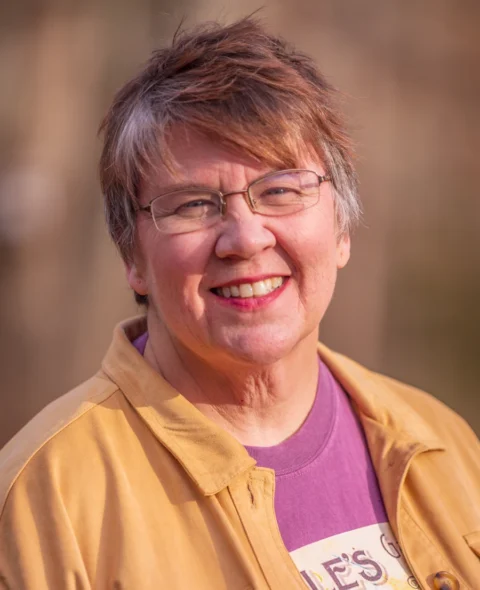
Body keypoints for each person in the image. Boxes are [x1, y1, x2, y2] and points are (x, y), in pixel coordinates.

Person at [0, 17, 478, 590]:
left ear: (342, 229)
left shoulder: (443, 444)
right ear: (133, 258)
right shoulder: (46, 499)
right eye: (193, 205)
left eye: (281, 191)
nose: (246, 238)